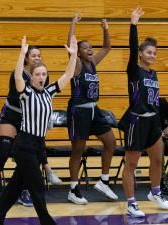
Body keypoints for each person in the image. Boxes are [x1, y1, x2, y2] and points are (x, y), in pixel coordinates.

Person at [0, 35, 78, 225]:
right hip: (24, 145)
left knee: (14, 187)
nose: (41, 77)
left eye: (44, 74)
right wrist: (22, 54)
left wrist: (73, 55)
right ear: (31, 77)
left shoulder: (49, 92)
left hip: (38, 146)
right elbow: (17, 77)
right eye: (37, 74)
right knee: (37, 186)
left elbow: (68, 75)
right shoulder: (26, 93)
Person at [0, 45, 62, 207]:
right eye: (33, 55)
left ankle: (25, 189)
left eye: (39, 55)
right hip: (12, 114)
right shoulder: (18, 73)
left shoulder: (42, 74)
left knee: (31, 154)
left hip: (29, 118)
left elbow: (44, 96)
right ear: (26, 58)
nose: (37, 58)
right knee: (4, 151)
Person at [120, 6, 168, 217]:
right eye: (149, 52)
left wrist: (162, 124)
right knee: (131, 164)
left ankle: (155, 192)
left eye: (155, 53)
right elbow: (131, 48)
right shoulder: (134, 71)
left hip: (153, 122)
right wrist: (133, 25)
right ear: (140, 54)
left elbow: (155, 101)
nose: (152, 55)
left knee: (158, 159)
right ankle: (131, 203)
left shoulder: (154, 74)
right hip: (136, 122)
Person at [66, 12, 117, 204]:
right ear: (78, 52)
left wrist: (106, 29)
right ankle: (73, 189)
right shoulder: (77, 64)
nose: (89, 49)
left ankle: (104, 181)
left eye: (90, 47)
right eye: (85, 48)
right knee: (78, 149)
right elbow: (70, 45)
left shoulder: (93, 63)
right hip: (79, 111)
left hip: (94, 110)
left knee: (110, 142)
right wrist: (72, 23)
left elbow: (107, 47)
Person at [159, 97, 168, 195]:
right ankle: (162, 180)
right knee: (159, 145)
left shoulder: (163, 103)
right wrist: (160, 133)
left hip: (165, 138)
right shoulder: (142, 107)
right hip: (151, 140)